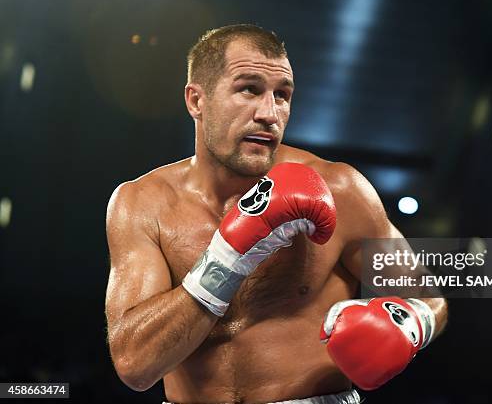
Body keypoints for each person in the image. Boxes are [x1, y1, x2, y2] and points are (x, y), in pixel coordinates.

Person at [105, 24, 448, 404]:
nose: (270, 113)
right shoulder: (143, 204)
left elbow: (427, 297)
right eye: (249, 89)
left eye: (282, 95)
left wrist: (408, 325)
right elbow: (135, 365)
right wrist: (228, 258)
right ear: (196, 101)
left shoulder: (341, 190)